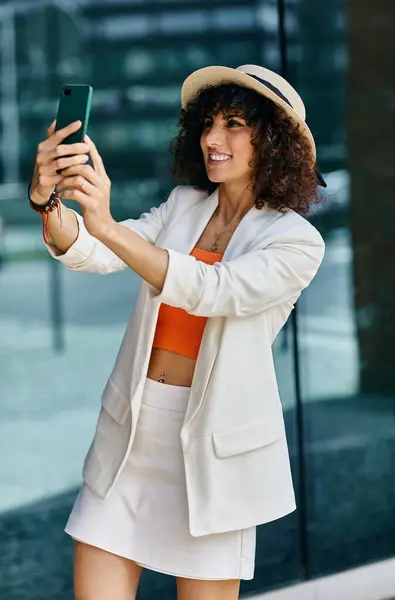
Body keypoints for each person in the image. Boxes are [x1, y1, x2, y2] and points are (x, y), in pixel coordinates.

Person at [29, 64, 326, 600]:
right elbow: (95, 252)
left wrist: (108, 226)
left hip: (212, 458)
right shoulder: (186, 205)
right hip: (131, 438)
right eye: (209, 123)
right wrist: (49, 204)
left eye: (234, 124)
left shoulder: (296, 241)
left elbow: (214, 289)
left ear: (274, 140)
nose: (213, 138)